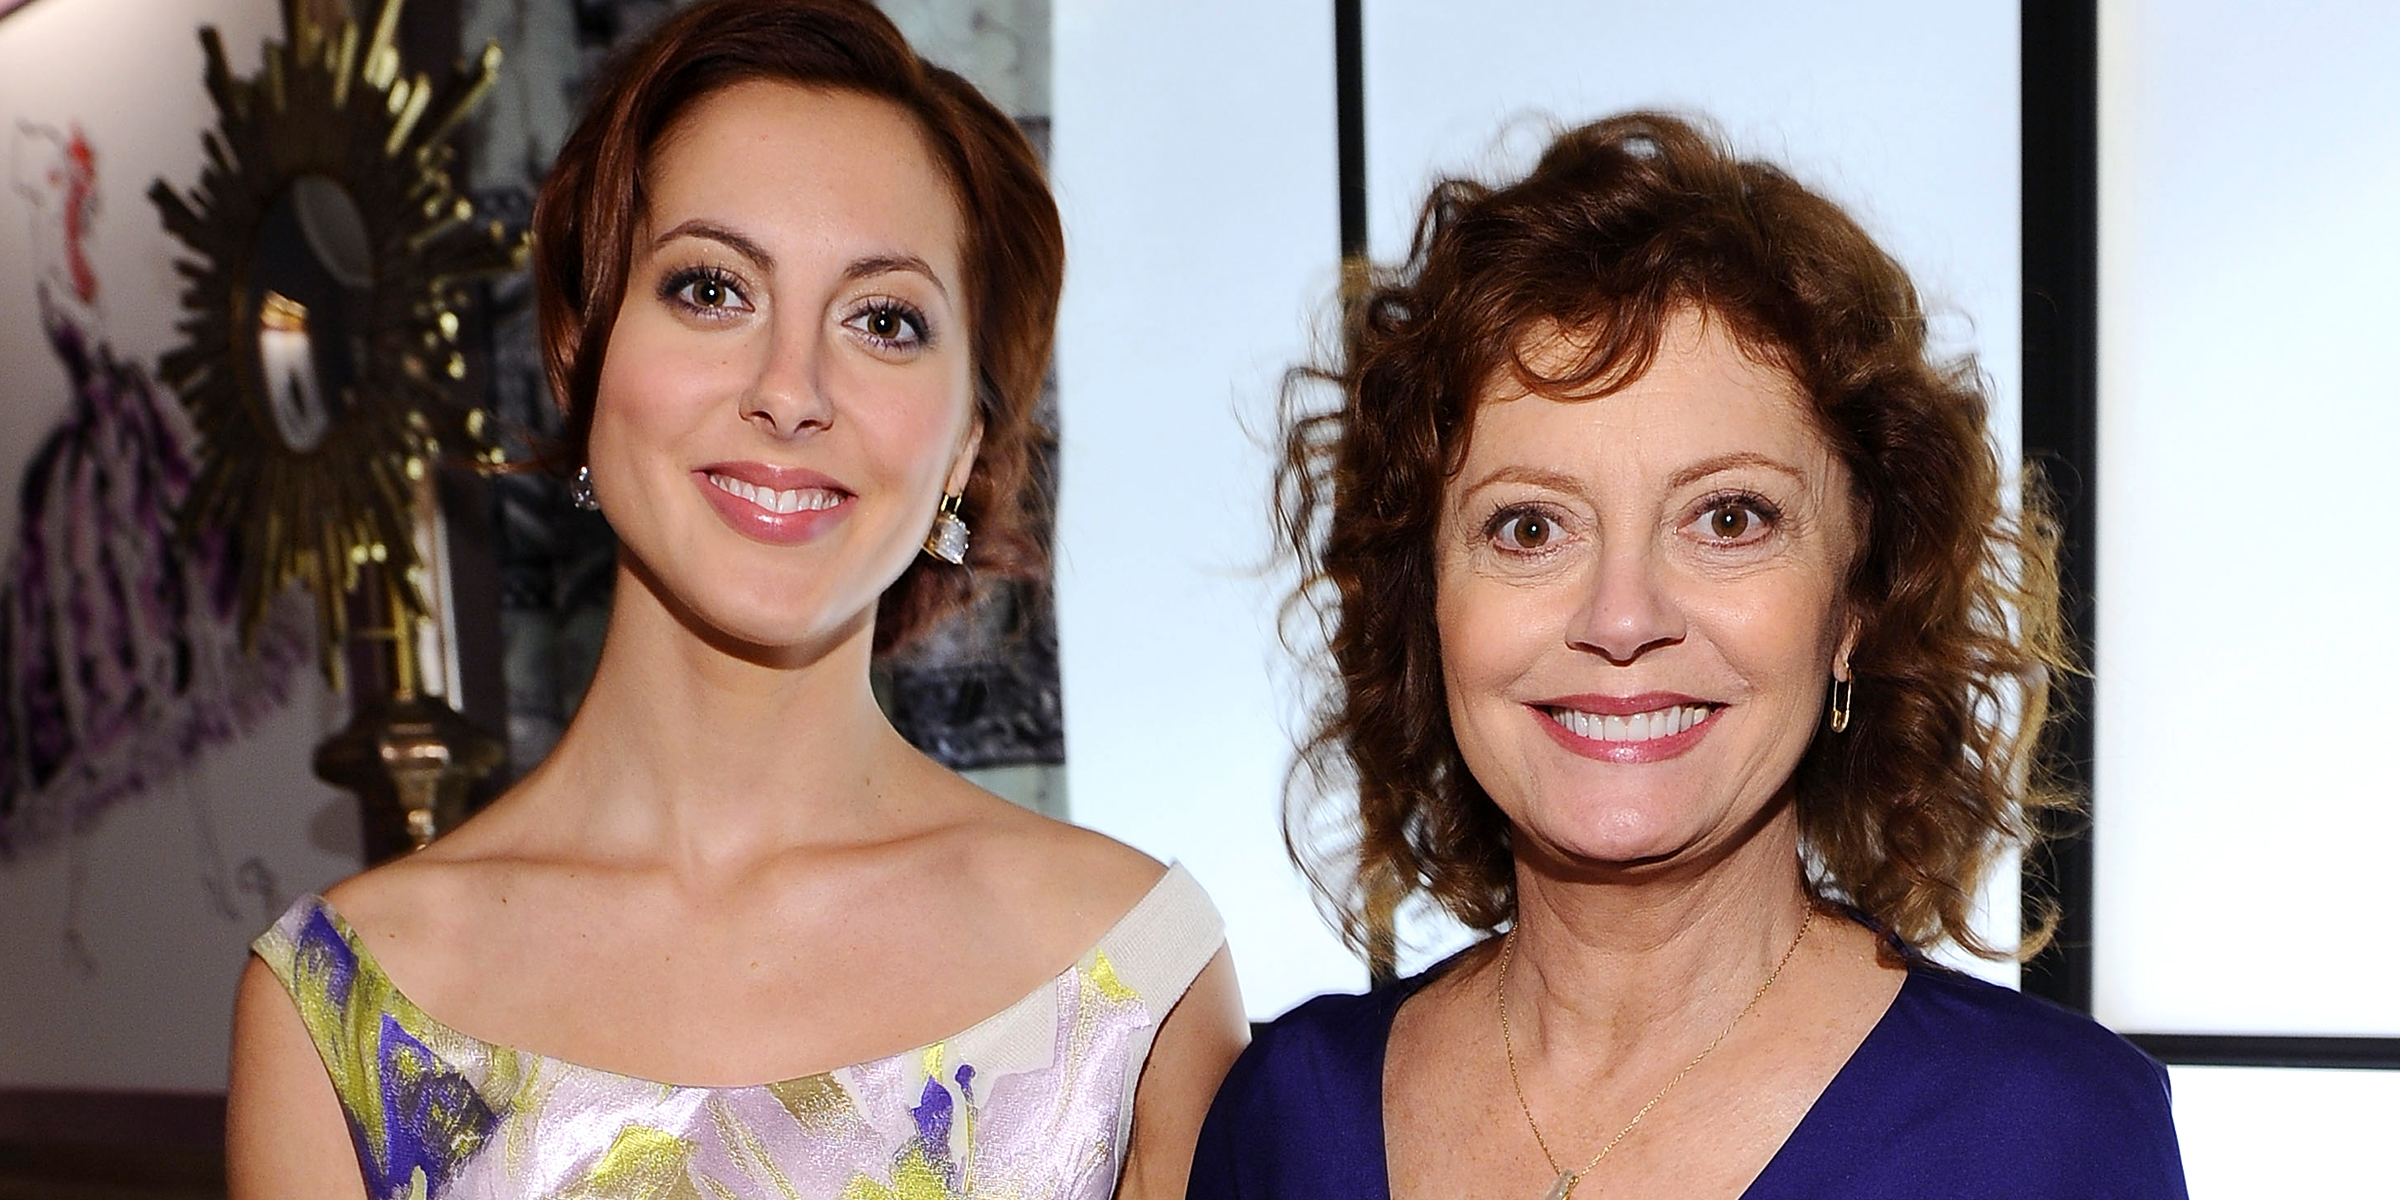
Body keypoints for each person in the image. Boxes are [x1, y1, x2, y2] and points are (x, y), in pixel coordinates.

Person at [224, 2, 1245, 1196]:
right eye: (712, 289)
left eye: (885, 319)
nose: (790, 389)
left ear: (966, 445)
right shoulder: (347, 1005)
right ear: (581, 352)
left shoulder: (1133, 977)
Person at [1191, 113, 2184, 1199]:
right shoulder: (1287, 1119)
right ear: (1425, 603)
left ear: (1857, 599)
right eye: (1529, 528)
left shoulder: (2053, 1136)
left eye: (1729, 518)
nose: (1623, 618)